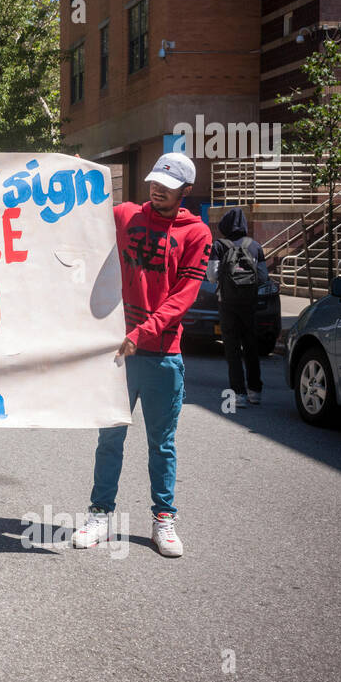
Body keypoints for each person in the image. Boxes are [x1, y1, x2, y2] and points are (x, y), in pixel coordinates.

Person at [72, 153, 212, 558]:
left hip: (162, 354)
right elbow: (82, 214)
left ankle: (163, 520)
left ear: (185, 191)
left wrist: (143, 333)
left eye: (167, 187)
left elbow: (183, 296)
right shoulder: (127, 215)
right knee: (110, 436)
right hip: (119, 351)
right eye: (154, 182)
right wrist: (77, 176)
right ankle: (100, 514)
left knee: (161, 443)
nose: (157, 190)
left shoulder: (196, 233)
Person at [207, 207, 269, 407]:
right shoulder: (255, 246)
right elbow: (263, 277)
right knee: (251, 346)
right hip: (249, 303)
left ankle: (239, 394)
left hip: (227, 303)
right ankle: (255, 391)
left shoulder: (219, 245)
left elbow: (212, 275)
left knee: (232, 348)